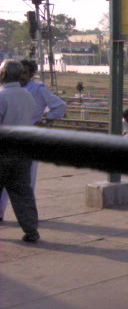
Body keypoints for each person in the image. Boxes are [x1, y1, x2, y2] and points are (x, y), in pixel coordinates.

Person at [0, 59, 66, 220]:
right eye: (19, 72)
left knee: (26, 185)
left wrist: (43, 121)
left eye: (25, 72)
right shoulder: (14, 92)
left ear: (31, 74)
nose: (21, 76)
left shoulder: (37, 89)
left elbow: (60, 106)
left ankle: (28, 220)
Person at [0, 59, 40, 242]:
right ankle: (31, 230)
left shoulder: (2, 97)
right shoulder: (28, 96)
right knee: (23, 193)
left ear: (3, 74)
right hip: (22, 152)